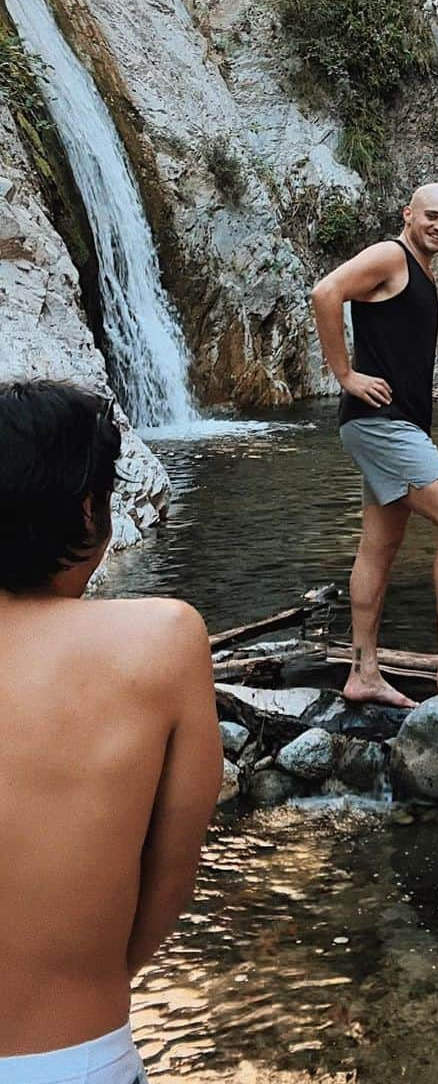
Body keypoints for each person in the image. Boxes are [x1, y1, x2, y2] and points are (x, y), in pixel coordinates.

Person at [0, 381, 222, 1084]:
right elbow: (170, 879)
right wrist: (87, 964)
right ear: (92, 509)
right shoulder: (162, 640)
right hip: (75, 1058)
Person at [312, 182, 438, 707]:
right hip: (381, 421)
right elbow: (325, 293)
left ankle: (363, 672)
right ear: (407, 213)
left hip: (396, 423)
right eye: (431, 216)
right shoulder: (392, 255)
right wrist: (344, 374)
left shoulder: (421, 271)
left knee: (380, 546)